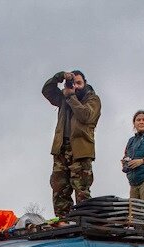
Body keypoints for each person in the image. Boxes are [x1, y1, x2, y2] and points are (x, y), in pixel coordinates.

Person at [42, 70, 102, 218]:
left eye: (79, 83)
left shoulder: (92, 99)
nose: (75, 86)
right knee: (59, 190)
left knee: (81, 191)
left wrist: (71, 96)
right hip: (61, 150)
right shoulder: (64, 98)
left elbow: (85, 116)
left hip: (81, 151)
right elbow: (47, 90)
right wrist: (60, 76)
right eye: (73, 83)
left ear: (85, 83)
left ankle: (83, 223)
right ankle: (62, 223)